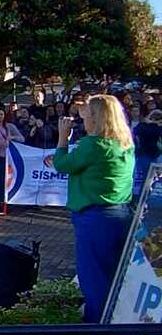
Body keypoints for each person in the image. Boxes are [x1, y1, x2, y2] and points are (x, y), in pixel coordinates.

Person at [52, 95, 135, 322]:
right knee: (113, 278)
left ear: (97, 118)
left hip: (95, 218)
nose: (84, 120)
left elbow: (62, 164)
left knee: (94, 280)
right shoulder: (124, 143)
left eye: (87, 115)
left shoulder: (94, 145)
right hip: (120, 214)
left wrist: (62, 139)